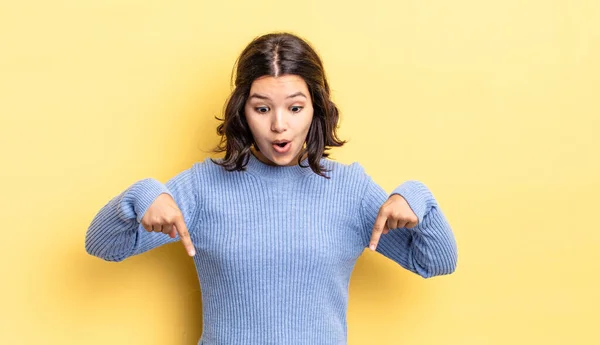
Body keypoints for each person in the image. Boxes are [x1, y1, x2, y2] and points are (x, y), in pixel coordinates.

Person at [85, 32, 458, 345]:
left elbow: (436, 262)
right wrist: (141, 195)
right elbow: (103, 245)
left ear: (316, 108)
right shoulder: (202, 186)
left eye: (295, 108)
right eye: (262, 109)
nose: (279, 125)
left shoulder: (350, 190)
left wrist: (417, 196)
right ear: (242, 111)